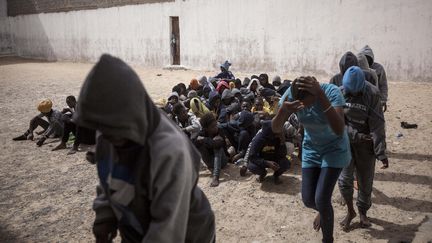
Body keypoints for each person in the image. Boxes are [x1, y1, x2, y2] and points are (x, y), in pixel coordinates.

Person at [74, 54, 215, 242]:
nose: (104, 137)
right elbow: (110, 178)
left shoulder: (170, 151)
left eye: (110, 131)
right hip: (137, 228)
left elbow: (166, 233)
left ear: (129, 116)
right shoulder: (109, 129)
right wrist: (105, 217)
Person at [273, 76, 351, 243]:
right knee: (309, 199)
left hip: (334, 148)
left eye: (307, 102)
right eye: (299, 103)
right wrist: (284, 110)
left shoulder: (331, 92)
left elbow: (338, 129)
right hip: (312, 148)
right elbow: (275, 127)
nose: (304, 107)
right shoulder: (293, 94)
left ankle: (327, 239)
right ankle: (324, 210)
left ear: (315, 92)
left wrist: (321, 97)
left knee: (322, 198)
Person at [337, 66, 388, 231]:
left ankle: (362, 212)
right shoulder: (339, 92)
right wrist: (354, 135)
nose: (352, 95)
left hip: (367, 146)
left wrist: (381, 152)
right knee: (344, 181)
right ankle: (350, 211)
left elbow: (377, 124)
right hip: (346, 143)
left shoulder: (372, 94)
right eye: (349, 92)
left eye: (355, 93)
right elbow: (337, 123)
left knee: (365, 183)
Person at [246, 120, 290, 184]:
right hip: (261, 160)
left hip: (273, 159)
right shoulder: (258, 139)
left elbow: (282, 155)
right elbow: (252, 157)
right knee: (252, 166)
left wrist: (282, 143)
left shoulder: (277, 137)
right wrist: (266, 163)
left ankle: (276, 176)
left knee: (285, 163)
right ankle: (262, 174)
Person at [195, 112, 228, 187]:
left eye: (216, 125)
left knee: (217, 145)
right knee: (198, 144)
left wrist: (205, 140)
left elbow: (218, 144)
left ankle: (216, 177)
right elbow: (193, 144)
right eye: (213, 127)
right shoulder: (202, 133)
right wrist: (202, 140)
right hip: (209, 162)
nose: (216, 127)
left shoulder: (220, 131)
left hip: (222, 161)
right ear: (206, 129)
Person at [360, 45, 388, 112]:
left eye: (368, 58)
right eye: (365, 58)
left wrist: (383, 99)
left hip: (375, 98)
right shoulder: (357, 67)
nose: (366, 60)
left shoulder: (379, 68)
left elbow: (383, 85)